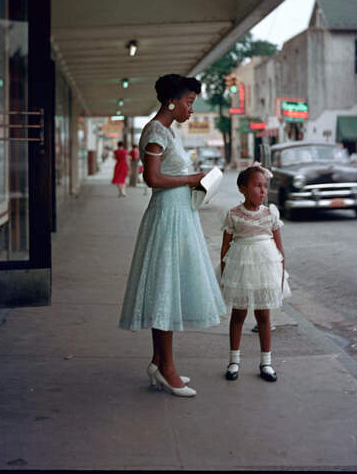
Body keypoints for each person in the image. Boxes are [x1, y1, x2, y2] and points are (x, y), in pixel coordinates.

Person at [119, 74, 226, 397]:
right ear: (172, 101)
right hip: (167, 215)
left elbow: (168, 173)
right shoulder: (155, 131)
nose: (191, 109)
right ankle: (167, 368)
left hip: (180, 213)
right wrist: (192, 177)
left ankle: (158, 362)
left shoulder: (168, 132)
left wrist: (195, 181)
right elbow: (151, 179)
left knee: (170, 287)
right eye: (189, 102)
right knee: (165, 288)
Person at [219, 163, 289, 383]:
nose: (262, 191)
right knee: (238, 314)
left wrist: (280, 275)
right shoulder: (233, 215)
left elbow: (279, 249)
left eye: (265, 186)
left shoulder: (270, 214)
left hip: (265, 268)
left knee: (263, 315)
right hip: (240, 268)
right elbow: (225, 247)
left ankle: (266, 362)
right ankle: (233, 360)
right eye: (257, 186)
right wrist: (224, 275)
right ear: (243, 188)